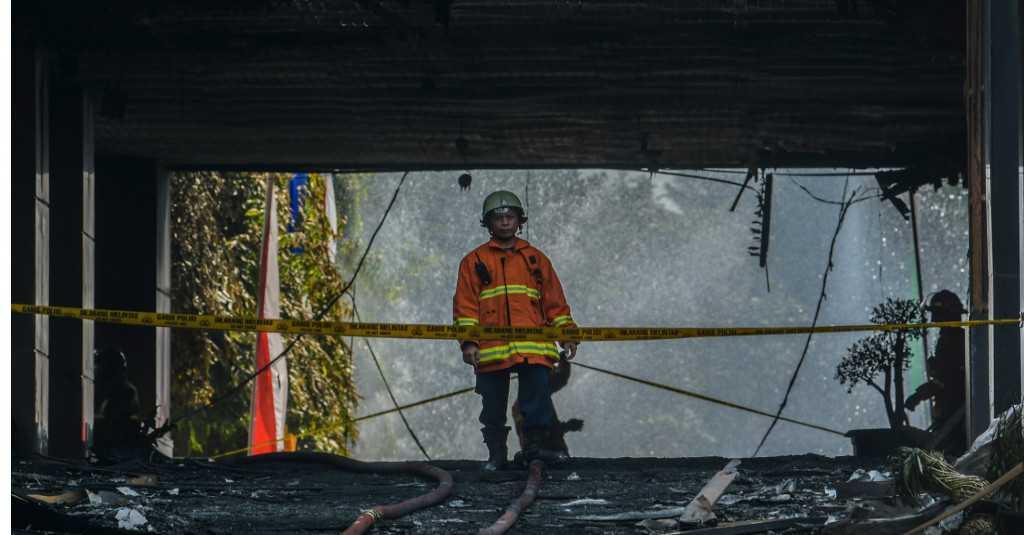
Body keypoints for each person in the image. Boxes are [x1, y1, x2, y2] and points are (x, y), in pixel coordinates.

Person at [454, 190, 579, 470]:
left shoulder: (536, 259)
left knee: (537, 400)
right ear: (488, 223)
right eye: (498, 218)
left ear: (519, 221)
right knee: (492, 404)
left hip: (533, 349)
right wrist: (469, 343)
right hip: (491, 349)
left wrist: (567, 334)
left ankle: (535, 450)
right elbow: (465, 306)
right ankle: (497, 455)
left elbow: (555, 303)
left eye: (510, 217)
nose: (505, 223)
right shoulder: (473, 262)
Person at [905, 290, 968, 454]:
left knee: (947, 451)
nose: (933, 319)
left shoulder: (951, 340)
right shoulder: (954, 337)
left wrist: (918, 396)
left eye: (937, 314)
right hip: (951, 410)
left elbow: (945, 380)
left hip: (952, 409)